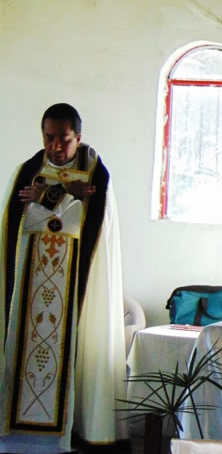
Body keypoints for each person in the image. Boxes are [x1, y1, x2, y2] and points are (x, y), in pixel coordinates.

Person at [0, 103, 127, 453]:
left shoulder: (96, 174)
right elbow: (22, 220)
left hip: (74, 287)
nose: (56, 146)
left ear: (78, 137)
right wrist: (66, 196)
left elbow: (76, 224)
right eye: (49, 137)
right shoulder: (28, 170)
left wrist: (49, 198)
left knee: (73, 351)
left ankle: (68, 434)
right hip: (28, 287)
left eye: (64, 139)